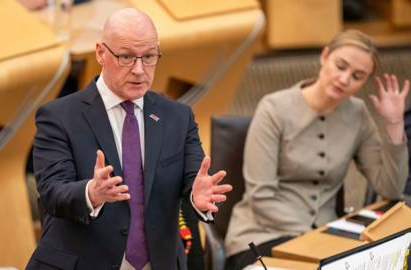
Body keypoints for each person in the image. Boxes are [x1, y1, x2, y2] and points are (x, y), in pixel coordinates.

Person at [26, 8, 232, 270]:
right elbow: (53, 192)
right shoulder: (59, 116)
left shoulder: (177, 117)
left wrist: (196, 195)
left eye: (148, 57)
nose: (139, 70)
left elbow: (194, 178)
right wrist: (92, 192)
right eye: (126, 57)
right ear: (101, 52)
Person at [225, 29, 410, 269]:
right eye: (340, 66)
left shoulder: (358, 114)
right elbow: (261, 197)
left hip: (326, 243)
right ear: (324, 57)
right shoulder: (273, 108)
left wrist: (394, 124)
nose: (344, 79)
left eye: (357, 76)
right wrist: (314, 240)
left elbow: (391, 189)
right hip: (262, 236)